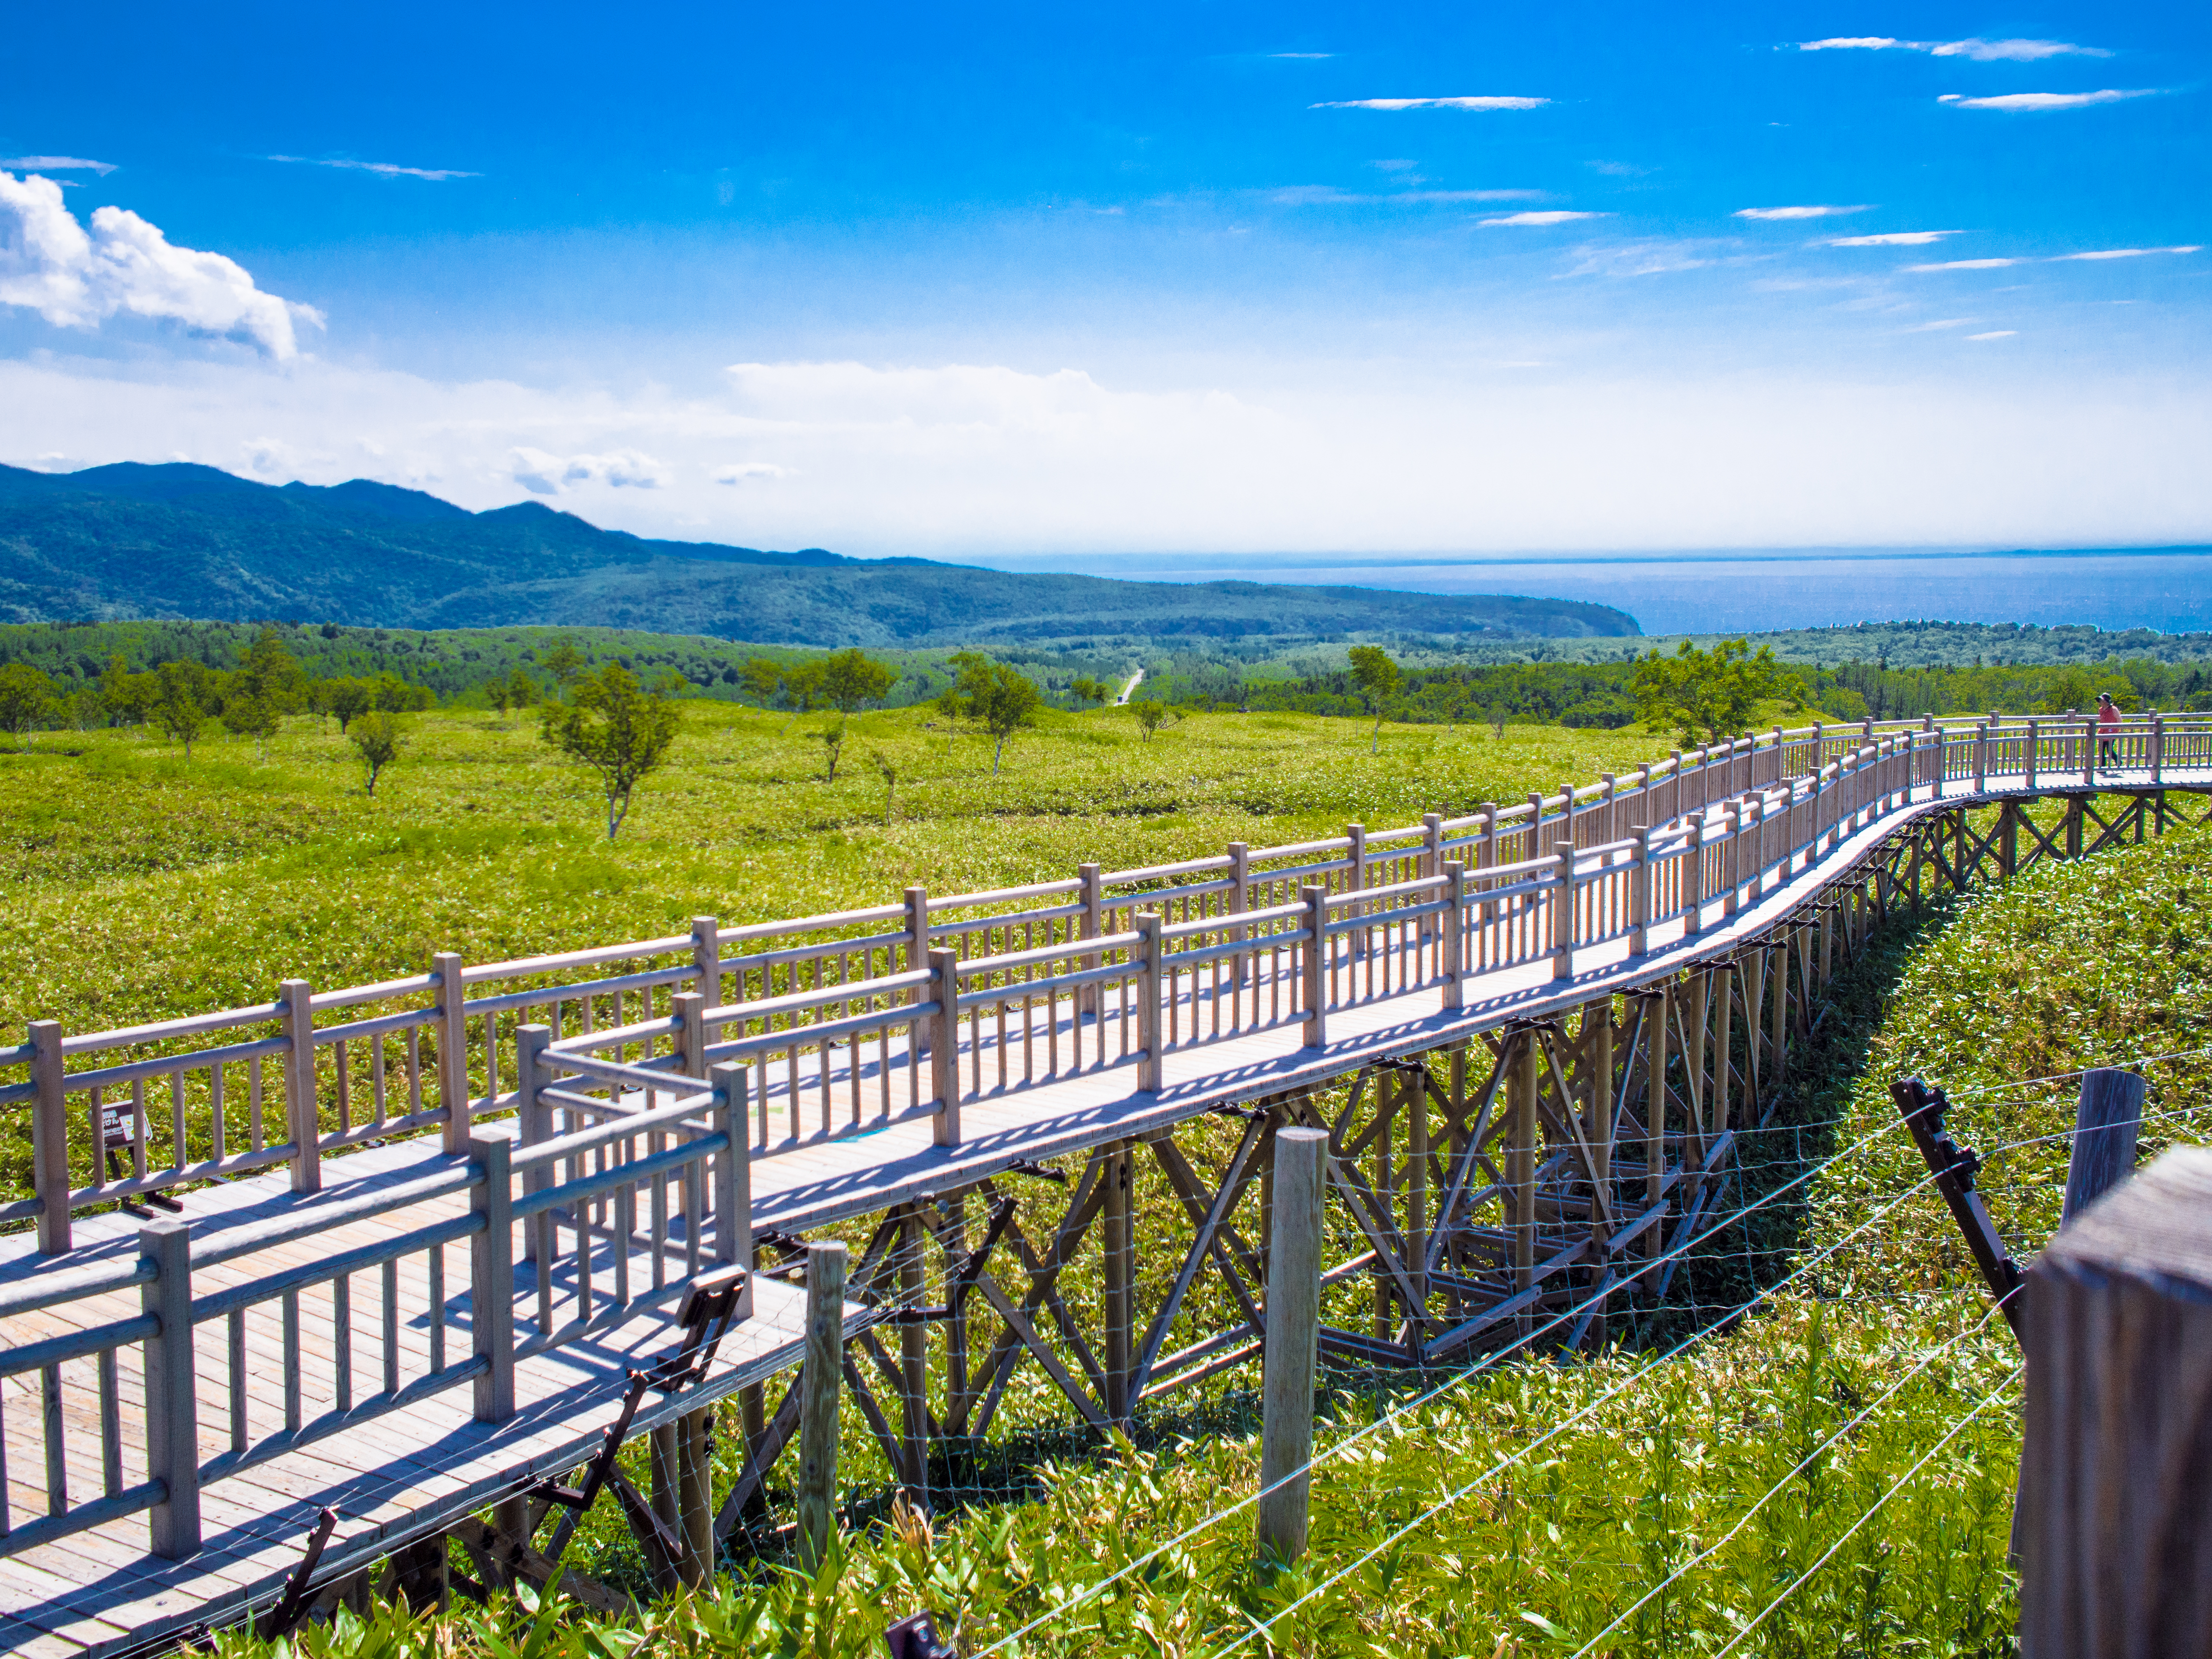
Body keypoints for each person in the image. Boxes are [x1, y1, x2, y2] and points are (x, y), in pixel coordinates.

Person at [2096, 692, 2122, 771]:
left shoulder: (2113, 709)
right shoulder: (2101, 710)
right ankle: (2102, 767)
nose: (2101, 702)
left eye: (2102, 700)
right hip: (2102, 732)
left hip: (2111, 732)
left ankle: (2118, 761)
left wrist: (2117, 730)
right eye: (2100, 700)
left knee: (2109, 750)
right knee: (2101, 750)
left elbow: (2119, 720)